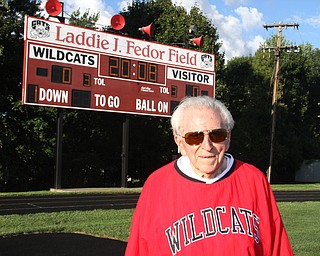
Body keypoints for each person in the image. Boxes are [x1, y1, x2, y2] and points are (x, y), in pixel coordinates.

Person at [125, 96, 293, 256]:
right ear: (179, 142)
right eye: (194, 137)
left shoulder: (254, 180)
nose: (207, 146)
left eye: (217, 135)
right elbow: (138, 249)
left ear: (228, 139)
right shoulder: (157, 185)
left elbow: (277, 248)